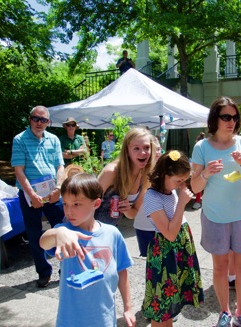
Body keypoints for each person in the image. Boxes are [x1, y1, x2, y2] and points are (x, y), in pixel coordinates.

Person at [191, 96, 241, 327]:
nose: (231, 121)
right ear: (215, 119)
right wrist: (206, 174)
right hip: (214, 215)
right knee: (220, 267)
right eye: (226, 117)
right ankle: (224, 312)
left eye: (235, 117)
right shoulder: (202, 147)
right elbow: (194, 186)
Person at [39, 173, 135, 327]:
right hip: (70, 321)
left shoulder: (112, 233)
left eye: (76, 204)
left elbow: (121, 270)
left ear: (96, 203)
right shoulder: (64, 232)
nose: (69, 211)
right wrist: (58, 233)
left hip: (105, 319)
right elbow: (43, 242)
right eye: (65, 204)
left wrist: (128, 307)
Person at [142, 150, 204, 326]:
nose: (181, 185)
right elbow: (169, 234)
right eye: (179, 181)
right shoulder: (152, 197)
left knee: (170, 307)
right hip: (164, 257)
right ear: (164, 175)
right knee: (161, 308)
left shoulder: (170, 191)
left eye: (184, 181)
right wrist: (182, 204)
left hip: (177, 253)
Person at [11, 105, 66, 288]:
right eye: (36, 118)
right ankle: (43, 272)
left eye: (43, 120)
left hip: (52, 192)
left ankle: (65, 269)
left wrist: (59, 187)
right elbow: (19, 171)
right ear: (29, 119)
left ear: (48, 122)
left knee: (64, 230)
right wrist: (32, 195)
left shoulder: (54, 139)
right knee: (34, 235)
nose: (39, 123)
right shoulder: (19, 139)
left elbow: (60, 166)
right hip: (29, 195)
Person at [95, 127, 154, 226]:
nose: (143, 153)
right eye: (136, 148)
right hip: (87, 231)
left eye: (146, 147)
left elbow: (133, 213)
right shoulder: (112, 172)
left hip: (109, 231)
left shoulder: (146, 177)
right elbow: (86, 203)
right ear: (127, 151)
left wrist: (127, 210)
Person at [133, 136, 161, 257]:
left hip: (165, 226)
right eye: (156, 150)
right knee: (148, 260)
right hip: (145, 226)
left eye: (160, 149)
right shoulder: (140, 171)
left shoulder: (165, 168)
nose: (159, 152)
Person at [192, 132, 206, 210]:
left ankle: (198, 202)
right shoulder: (201, 146)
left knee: (200, 185)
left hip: (203, 170)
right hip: (201, 170)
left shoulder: (202, 147)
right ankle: (197, 201)